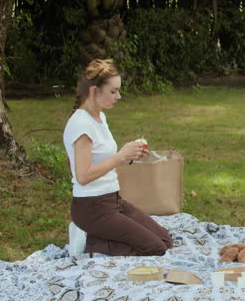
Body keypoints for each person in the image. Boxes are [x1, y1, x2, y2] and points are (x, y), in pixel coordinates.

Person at [63, 59, 173, 255]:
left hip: (113, 200)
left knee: (165, 239)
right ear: (95, 91)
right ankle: (88, 242)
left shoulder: (100, 117)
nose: (119, 96)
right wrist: (121, 156)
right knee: (155, 248)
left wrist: (131, 155)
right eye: (113, 91)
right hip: (92, 207)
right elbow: (83, 176)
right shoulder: (81, 125)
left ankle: (102, 235)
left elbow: (102, 159)